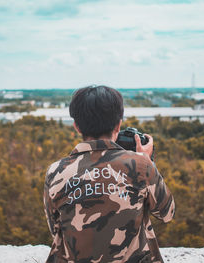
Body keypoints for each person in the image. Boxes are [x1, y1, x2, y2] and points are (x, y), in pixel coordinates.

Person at [43, 85, 175, 263]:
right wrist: (148, 162)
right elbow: (167, 213)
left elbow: (56, 229)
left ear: (76, 126)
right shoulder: (140, 165)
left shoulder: (55, 172)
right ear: (118, 124)